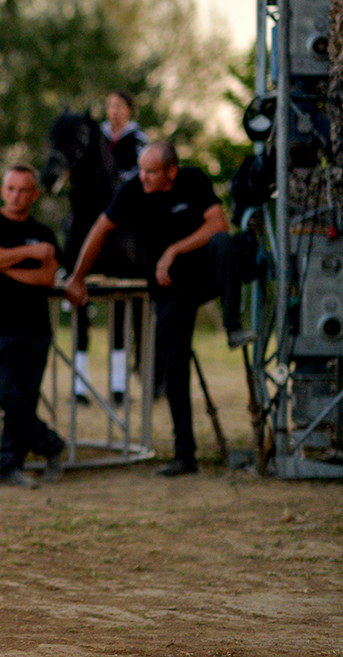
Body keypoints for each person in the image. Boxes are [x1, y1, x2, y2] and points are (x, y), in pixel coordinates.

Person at [65, 142, 252, 477]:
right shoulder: (133, 189)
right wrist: (77, 277)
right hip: (170, 287)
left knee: (229, 244)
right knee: (173, 367)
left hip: (205, 274)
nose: (144, 177)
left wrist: (173, 251)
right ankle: (185, 455)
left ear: (171, 171)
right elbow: (100, 230)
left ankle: (233, 324)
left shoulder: (193, 180)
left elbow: (218, 224)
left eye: (151, 171)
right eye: (141, 169)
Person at [0, 164, 66, 488]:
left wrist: (4, 264)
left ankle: (11, 467)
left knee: (23, 399)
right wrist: (28, 254)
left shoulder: (45, 233)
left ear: (35, 194)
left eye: (23, 190)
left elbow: (47, 278)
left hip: (34, 329)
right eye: (10, 189)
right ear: (2, 190)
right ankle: (51, 445)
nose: (16, 196)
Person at [73, 90, 150, 404]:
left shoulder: (138, 139)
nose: (114, 110)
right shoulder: (97, 137)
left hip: (124, 206)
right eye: (110, 105)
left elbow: (141, 173)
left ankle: (121, 380)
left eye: (119, 105)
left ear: (129, 109)